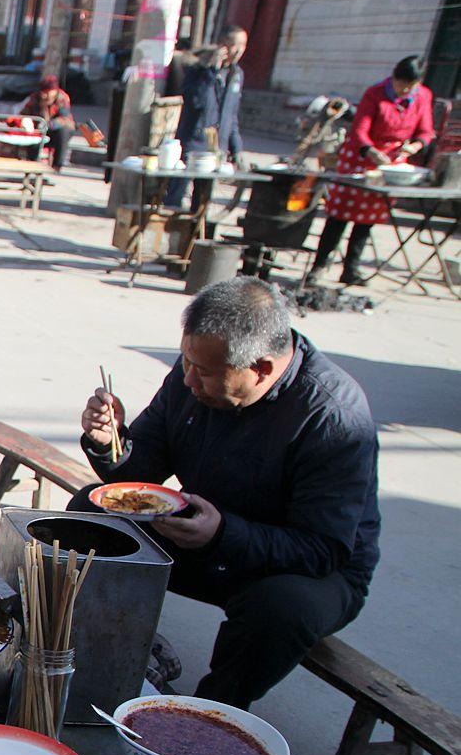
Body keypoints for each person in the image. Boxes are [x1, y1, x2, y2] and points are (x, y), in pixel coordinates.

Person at [74, 277, 379, 710]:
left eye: (206, 372)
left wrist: (224, 534)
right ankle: (115, 649)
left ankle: (205, 719)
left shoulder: (332, 417)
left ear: (262, 369)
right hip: (206, 534)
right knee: (89, 511)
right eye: (185, 361)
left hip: (302, 568)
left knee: (281, 608)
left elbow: (324, 548)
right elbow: (141, 474)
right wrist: (111, 443)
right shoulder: (194, 372)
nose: (188, 379)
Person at [310, 56, 436, 287]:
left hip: (391, 164)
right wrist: (371, 152)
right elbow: (359, 131)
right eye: (401, 84)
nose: (405, 90)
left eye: (411, 86)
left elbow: (426, 131)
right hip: (360, 158)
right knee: (339, 216)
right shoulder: (375, 93)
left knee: (366, 220)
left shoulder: (423, 96)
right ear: (394, 77)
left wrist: (415, 145)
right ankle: (318, 267)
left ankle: (351, 269)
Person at [167, 27, 247, 206]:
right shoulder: (197, 68)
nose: (240, 50)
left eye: (243, 45)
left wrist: (237, 148)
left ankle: (194, 230)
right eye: (235, 45)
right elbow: (198, 101)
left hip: (216, 147)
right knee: (175, 195)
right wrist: (211, 70)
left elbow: (232, 115)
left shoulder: (236, 74)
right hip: (193, 141)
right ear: (223, 46)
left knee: (202, 201)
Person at [20, 74, 74, 170]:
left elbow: (64, 118)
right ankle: (32, 166)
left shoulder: (62, 98)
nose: (45, 95)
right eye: (43, 92)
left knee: (64, 132)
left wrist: (48, 125)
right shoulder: (35, 98)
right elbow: (23, 114)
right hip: (38, 131)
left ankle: (57, 165)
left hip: (55, 131)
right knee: (33, 139)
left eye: (48, 92)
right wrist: (26, 122)